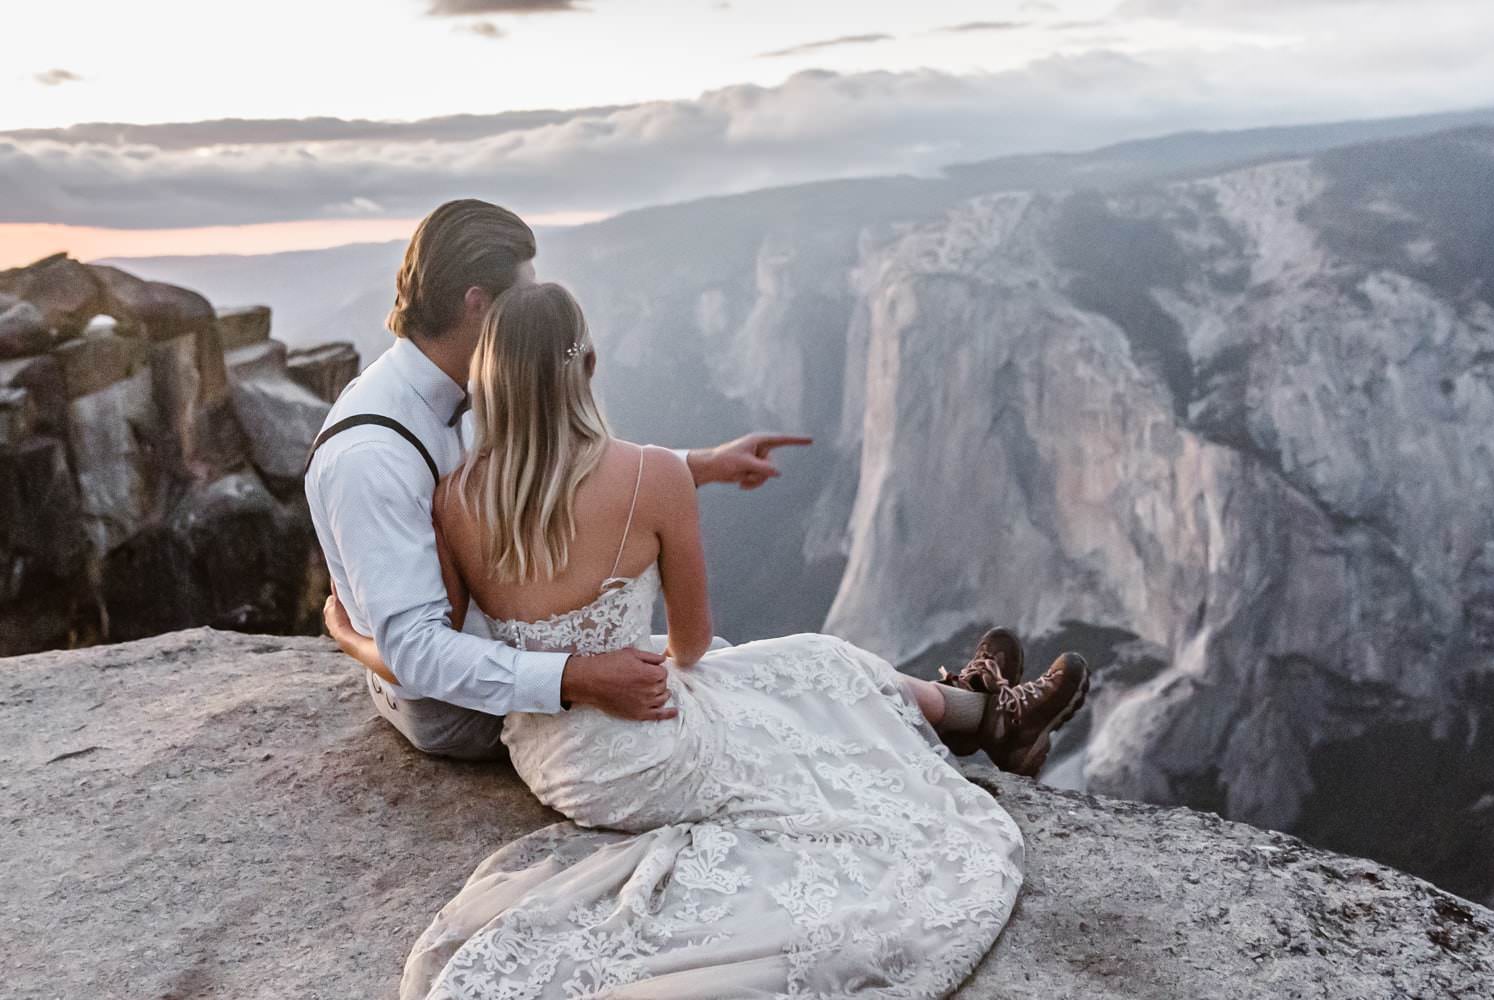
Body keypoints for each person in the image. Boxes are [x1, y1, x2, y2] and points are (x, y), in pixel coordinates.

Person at [327, 279, 1091, 998]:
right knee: (811, 676)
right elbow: (693, 644)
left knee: (806, 665)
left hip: (551, 760)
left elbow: (443, 643)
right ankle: (982, 716)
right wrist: (640, 646)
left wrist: (350, 637)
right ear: (584, 367)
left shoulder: (454, 499)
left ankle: (981, 715)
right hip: (651, 751)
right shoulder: (652, 476)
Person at [306, 199, 813, 760]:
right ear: (478, 305)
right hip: (464, 712)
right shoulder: (370, 455)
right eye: (521, 293)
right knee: (742, 701)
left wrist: (702, 464)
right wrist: (577, 677)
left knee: (758, 683)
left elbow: (553, 466)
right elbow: (418, 654)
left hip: (528, 648)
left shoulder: (469, 385)